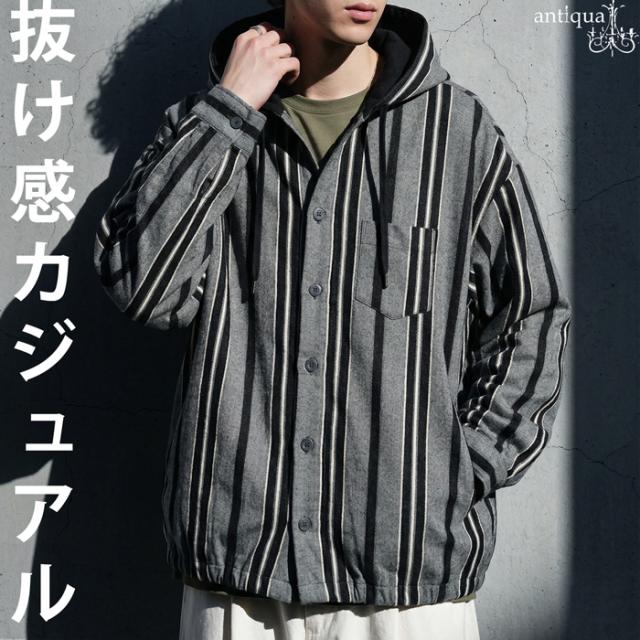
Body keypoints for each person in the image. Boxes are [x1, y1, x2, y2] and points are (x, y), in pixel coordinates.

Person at [93, 0, 572, 638]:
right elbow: (145, 288)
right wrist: (230, 110)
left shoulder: (456, 132)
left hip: (406, 580)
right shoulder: (201, 128)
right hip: (239, 575)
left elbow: (532, 313)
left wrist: (461, 468)